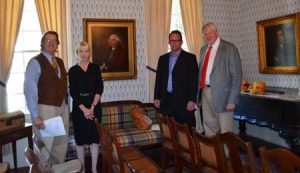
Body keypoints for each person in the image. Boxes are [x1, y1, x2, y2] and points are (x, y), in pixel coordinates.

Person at [24, 31, 69, 163]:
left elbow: (63, 86)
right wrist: (35, 115)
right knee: (46, 145)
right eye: (48, 40)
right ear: (42, 43)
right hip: (45, 109)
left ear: (57, 45)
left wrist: (68, 106)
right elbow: (29, 90)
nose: (51, 42)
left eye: (54, 40)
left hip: (62, 107)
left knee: (61, 143)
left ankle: (58, 170)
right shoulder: (35, 62)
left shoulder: (60, 62)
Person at [197, 22, 242, 137]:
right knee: (209, 127)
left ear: (217, 32)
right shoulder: (203, 50)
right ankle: (213, 154)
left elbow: (237, 76)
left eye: (210, 32)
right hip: (205, 92)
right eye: (205, 34)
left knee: (225, 131)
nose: (208, 36)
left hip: (224, 96)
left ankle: (226, 155)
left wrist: (232, 100)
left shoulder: (229, 48)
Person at [69, 41, 103, 173]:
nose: (84, 54)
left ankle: (94, 169)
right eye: (81, 51)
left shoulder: (95, 68)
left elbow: (99, 88)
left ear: (89, 53)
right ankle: (82, 170)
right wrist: (84, 110)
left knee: (95, 139)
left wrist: (92, 107)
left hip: (95, 107)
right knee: (80, 141)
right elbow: (73, 92)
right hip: (79, 110)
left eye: (86, 51)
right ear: (77, 53)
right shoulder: (72, 71)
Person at [154, 30, 198, 128]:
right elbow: (159, 80)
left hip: (184, 102)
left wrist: (192, 100)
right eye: (172, 40)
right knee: (169, 131)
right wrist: (157, 97)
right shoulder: (162, 59)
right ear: (169, 42)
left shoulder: (190, 58)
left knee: (185, 133)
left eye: (177, 40)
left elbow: (193, 81)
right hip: (167, 101)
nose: (174, 43)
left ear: (181, 42)